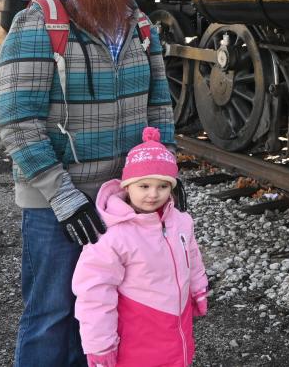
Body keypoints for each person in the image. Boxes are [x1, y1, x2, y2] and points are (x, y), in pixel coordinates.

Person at [0, 0, 175, 367]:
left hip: (122, 199)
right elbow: (18, 121)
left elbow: (160, 106)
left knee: (102, 313)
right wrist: (65, 197)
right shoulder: (39, 21)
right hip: (55, 201)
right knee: (52, 313)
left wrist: (165, 174)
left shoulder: (140, 26)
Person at [73, 127, 207, 367]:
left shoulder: (181, 222)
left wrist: (198, 288)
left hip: (176, 327)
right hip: (137, 335)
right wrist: (100, 345)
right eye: (144, 186)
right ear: (127, 186)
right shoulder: (112, 236)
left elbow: (192, 256)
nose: (153, 194)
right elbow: (94, 292)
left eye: (163, 186)